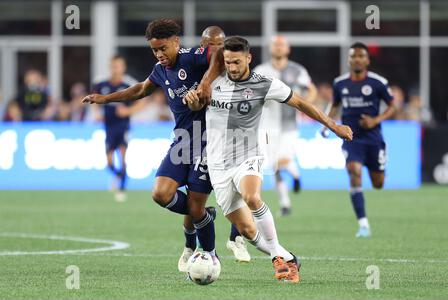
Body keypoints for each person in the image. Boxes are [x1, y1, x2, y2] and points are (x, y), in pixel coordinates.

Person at [183, 36, 352, 282]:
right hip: (217, 165)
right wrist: (193, 102)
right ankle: (287, 256)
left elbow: (301, 103)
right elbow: (196, 107)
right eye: (228, 62)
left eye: (236, 62)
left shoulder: (265, 84)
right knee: (248, 231)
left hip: (247, 155)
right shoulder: (212, 82)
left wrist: (333, 125)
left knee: (252, 197)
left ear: (248, 58)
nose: (231, 67)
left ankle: (276, 260)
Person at [82, 19, 219, 270]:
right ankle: (203, 220)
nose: (160, 54)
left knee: (195, 206)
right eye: (155, 50)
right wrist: (106, 99)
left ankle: (209, 253)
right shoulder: (160, 69)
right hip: (182, 141)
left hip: (208, 141)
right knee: (161, 194)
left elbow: (219, 52)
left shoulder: (192, 57)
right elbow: (140, 90)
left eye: (163, 48)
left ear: (176, 42)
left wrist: (206, 82)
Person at [180, 26, 251, 264]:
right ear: (202, 46)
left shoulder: (235, 71)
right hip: (198, 142)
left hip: (236, 144)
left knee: (246, 193)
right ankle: (191, 246)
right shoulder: (191, 69)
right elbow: (194, 105)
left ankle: (236, 238)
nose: (216, 49)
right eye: (210, 45)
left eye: (220, 44)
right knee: (195, 202)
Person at [324, 42, 396, 238]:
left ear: (367, 60)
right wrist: (327, 124)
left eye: (360, 56)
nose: (357, 59)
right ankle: (363, 224)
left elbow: (392, 106)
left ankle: (380, 169)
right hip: (351, 137)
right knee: (354, 171)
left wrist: (376, 120)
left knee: (378, 183)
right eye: (353, 56)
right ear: (348, 60)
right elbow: (334, 105)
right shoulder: (340, 83)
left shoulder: (377, 82)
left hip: (374, 138)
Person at [254, 36, 317, 216]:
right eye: (276, 45)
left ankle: (295, 175)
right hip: (267, 125)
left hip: (289, 125)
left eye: (282, 45)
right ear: (270, 48)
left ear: (287, 49)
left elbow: (311, 90)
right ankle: (285, 203)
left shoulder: (297, 70)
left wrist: (305, 106)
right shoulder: (261, 70)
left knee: (280, 161)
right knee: (273, 167)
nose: (279, 48)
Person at [90, 55, 141, 202]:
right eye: (113, 66)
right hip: (108, 126)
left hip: (123, 126)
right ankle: (119, 175)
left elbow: (143, 101)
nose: (115, 69)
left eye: (118, 66)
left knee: (123, 156)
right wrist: (96, 112)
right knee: (109, 161)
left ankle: (121, 189)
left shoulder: (129, 84)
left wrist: (128, 111)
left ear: (123, 68)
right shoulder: (101, 83)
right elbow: (94, 97)